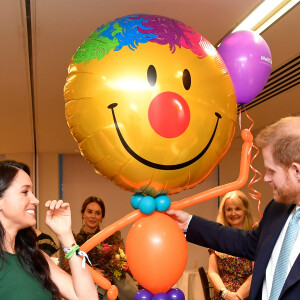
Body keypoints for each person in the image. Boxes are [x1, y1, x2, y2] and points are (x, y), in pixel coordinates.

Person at [167, 116, 300, 300]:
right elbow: (246, 243)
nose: (266, 178)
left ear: (296, 171)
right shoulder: (277, 209)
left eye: (271, 171)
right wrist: (189, 223)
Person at [0, 160, 98, 300]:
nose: (35, 200)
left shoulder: (36, 257)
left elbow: (88, 298)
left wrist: (66, 235)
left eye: (32, 192)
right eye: (25, 192)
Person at [62, 196, 138, 300]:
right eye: (89, 212)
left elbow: (122, 262)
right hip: (85, 292)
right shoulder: (73, 241)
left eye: (98, 213)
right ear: (83, 214)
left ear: (102, 217)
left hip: (113, 291)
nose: (93, 216)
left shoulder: (112, 237)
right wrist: (92, 273)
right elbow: (67, 268)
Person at [208, 190, 255, 300]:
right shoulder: (217, 238)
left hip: (247, 296)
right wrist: (225, 294)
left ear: (245, 211)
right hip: (222, 296)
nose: (233, 213)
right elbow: (212, 272)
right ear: (223, 212)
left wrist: (237, 297)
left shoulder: (254, 237)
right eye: (229, 209)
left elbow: (256, 273)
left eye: (238, 208)